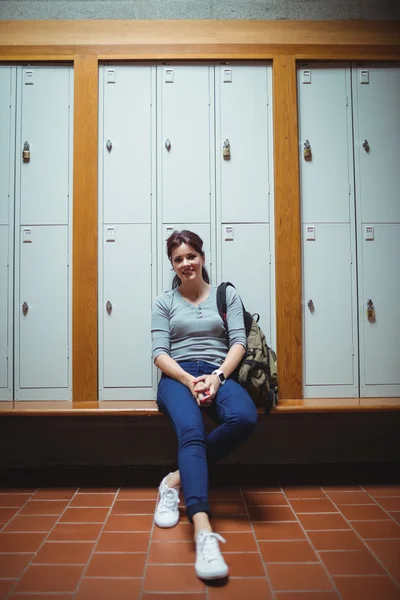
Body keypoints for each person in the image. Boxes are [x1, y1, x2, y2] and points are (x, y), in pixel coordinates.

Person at [151, 229, 258, 581]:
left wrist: (217, 378)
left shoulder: (226, 295)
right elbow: (159, 354)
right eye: (178, 259)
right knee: (192, 433)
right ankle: (202, 532)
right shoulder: (164, 302)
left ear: (202, 257)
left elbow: (239, 343)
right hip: (177, 378)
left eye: (191, 256)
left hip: (217, 374)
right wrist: (187, 380)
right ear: (172, 264)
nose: (186, 264)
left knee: (244, 417)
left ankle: (174, 480)